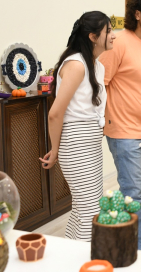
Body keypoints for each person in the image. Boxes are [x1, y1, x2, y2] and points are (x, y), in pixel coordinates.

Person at [101, 0, 141, 272]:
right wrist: (103, 122)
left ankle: (131, 251)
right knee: (133, 195)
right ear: (137, 14)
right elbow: (100, 84)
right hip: (123, 132)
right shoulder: (119, 42)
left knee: (140, 195)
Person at [40, 12, 115, 241]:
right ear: (93, 36)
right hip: (76, 143)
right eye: (109, 31)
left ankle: (72, 254)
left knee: (86, 206)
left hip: (90, 142)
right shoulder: (76, 65)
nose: (114, 35)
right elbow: (55, 114)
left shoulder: (96, 65)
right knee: (90, 211)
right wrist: (55, 150)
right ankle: (86, 258)